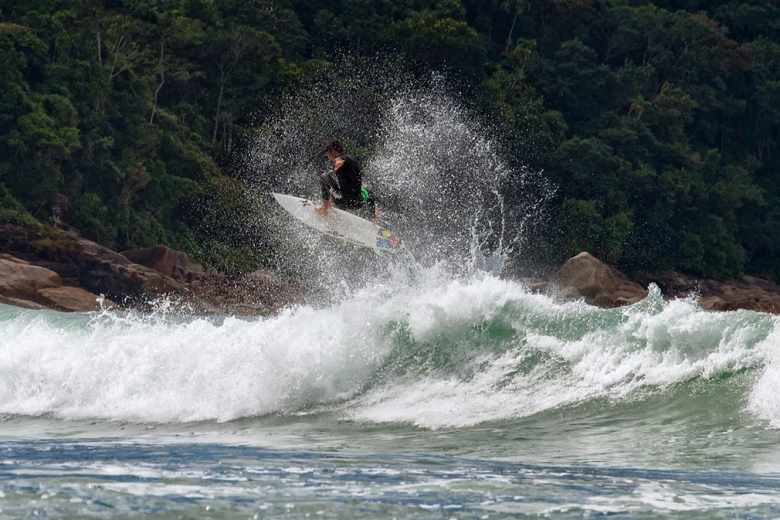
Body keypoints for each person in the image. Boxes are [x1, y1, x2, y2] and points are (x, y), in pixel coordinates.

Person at [314, 139, 379, 223]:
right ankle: (374, 216)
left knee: (324, 177)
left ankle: (324, 209)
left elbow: (339, 161)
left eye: (328, 154)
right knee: (367, 191)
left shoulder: (339, 159)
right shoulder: (353, 162)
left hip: (344, 202)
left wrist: (337, 163)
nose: (328, 158)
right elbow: (346, 186)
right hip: (357, 203)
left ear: (333, 152)